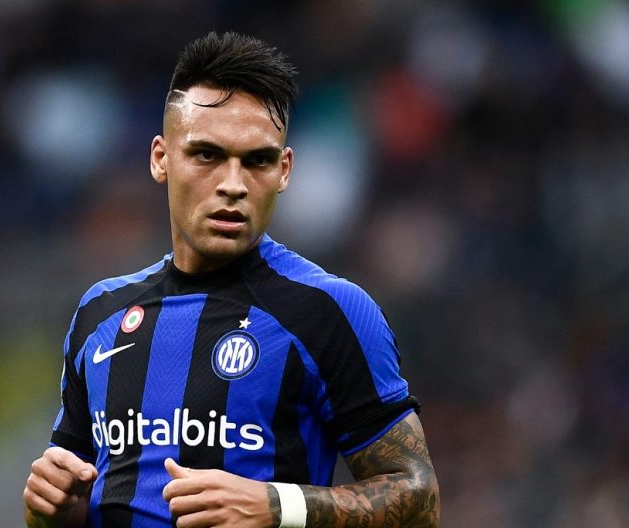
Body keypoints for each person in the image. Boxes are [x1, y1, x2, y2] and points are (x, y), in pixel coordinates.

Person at [23, 31, 440, 528]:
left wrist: (280, 507)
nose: (233, 185)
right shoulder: (100, 313)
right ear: (161, 158)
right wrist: (49, 511)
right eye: (207, 155)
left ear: (284, 170)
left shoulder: (329, 310)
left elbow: (420, 499)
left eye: (257, 160)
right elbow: (75, 501)